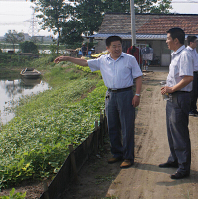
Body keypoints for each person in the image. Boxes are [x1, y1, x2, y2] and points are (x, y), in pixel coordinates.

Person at [54, 35, 142, 169]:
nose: (117, 48)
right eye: (114, 46)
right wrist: (67, 58)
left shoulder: (129, 59)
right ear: (107, 48)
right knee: (112, 125)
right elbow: (84, 62)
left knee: (127, 127)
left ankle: (128, 157)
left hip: (126, 94)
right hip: (110, 95)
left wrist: (137, 95)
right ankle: (117, 153)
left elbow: (138, 76)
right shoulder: (102, 60)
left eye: (119, 45)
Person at [159, 27, 193, 179]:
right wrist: (168, 88)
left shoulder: (184, 55)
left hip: (180, 97)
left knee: (179, 133)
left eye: (167, 39)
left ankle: (184, 168)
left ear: (176, 40)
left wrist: (171, 88)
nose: (166, 41)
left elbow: (188, 78)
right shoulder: (176, 55)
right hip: (173, 96)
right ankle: (174, 159)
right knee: (171, 130)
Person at [186, 36, 198, 116]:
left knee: (195, 92)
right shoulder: (187, 52)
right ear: (191, 43)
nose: (197, 43)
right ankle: (189, 110)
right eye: (196, 42)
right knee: (191, 92)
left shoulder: (194, 50)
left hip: (196, 73)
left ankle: (194, 109)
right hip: (191, 73)